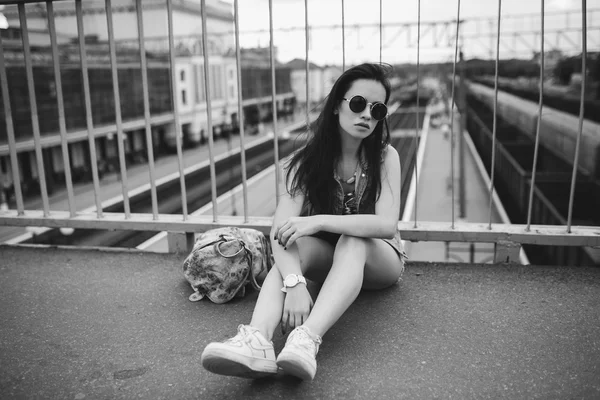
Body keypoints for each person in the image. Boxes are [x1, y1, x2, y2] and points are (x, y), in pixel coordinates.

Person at [201, 62, 407, 381]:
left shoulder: (385, 156)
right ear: (337, 107)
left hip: (379, 261)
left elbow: (385, 226)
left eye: (377, 109)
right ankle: (257, 340)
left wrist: (317, 221)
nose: (367, 114)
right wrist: (295, 283)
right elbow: (280, 232)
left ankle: (306, 338)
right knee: (293, 245)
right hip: (331, 261)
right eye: (357, 104)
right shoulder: (303, 164)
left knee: (353, 241)